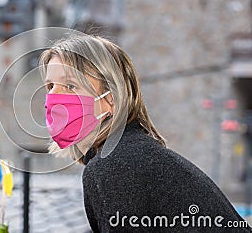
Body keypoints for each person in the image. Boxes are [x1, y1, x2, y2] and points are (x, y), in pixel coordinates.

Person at [39, 34, 252, 232]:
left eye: (70, 85)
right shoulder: (132, 155)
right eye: (50, 85)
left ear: (111, 99)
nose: (53, 96)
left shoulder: (115, 166)